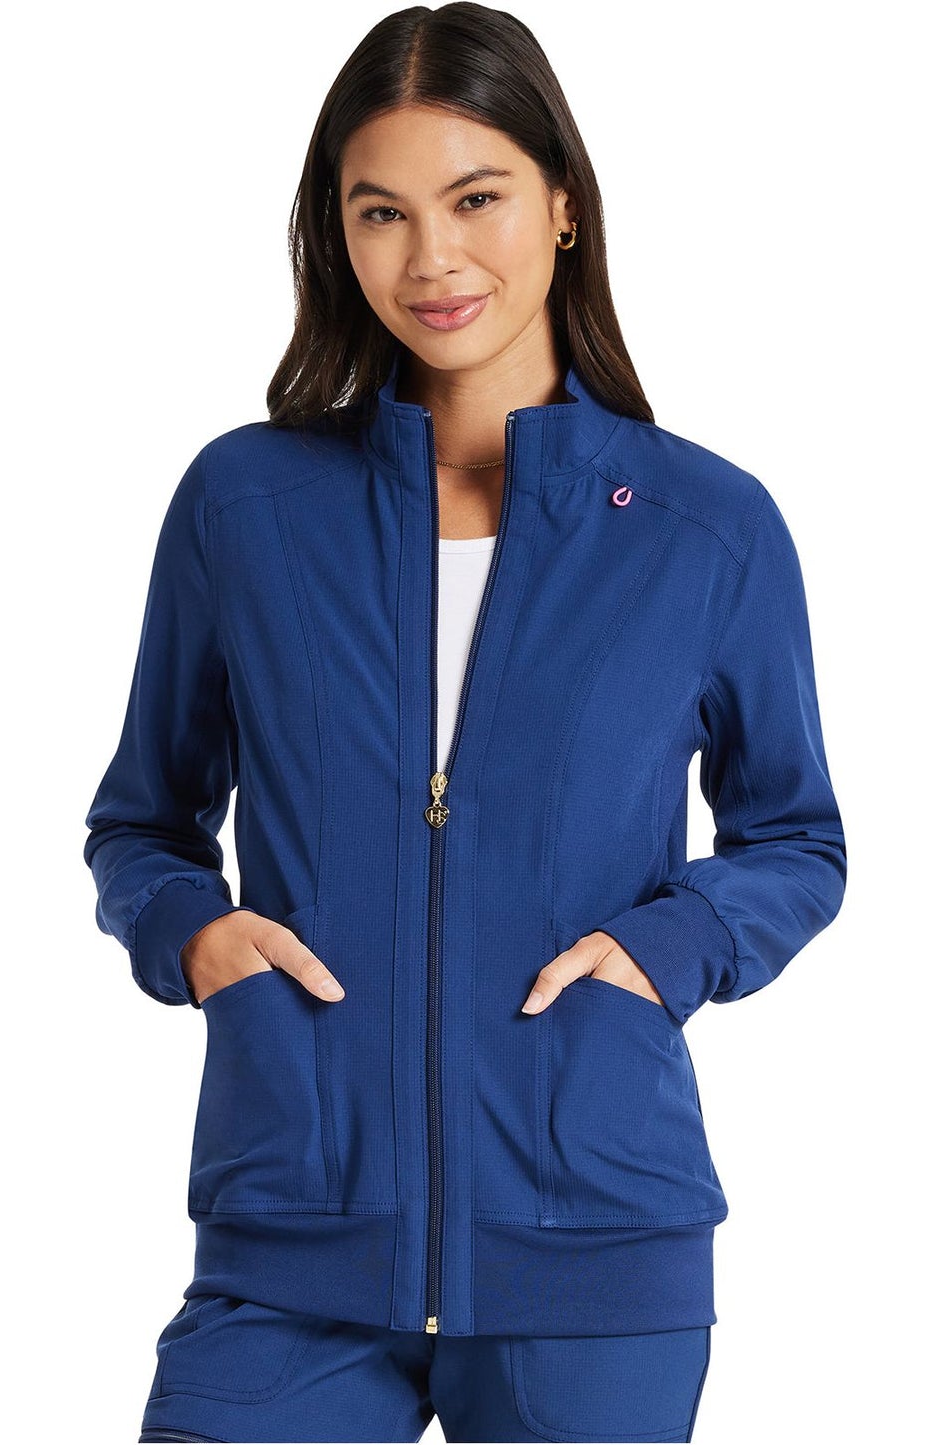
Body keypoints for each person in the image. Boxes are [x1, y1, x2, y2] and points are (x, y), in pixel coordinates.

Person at [82, 4, 847, 1440]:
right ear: (336, 235)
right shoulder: (247, 504)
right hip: (294, 1227)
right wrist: (193, 934)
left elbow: (795, 839)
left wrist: (668, 948)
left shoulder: (702, 526)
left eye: (475, 198)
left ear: (562, 204)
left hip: (593, 1241)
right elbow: (142, 819)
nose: (430, 258)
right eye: (381, 212)